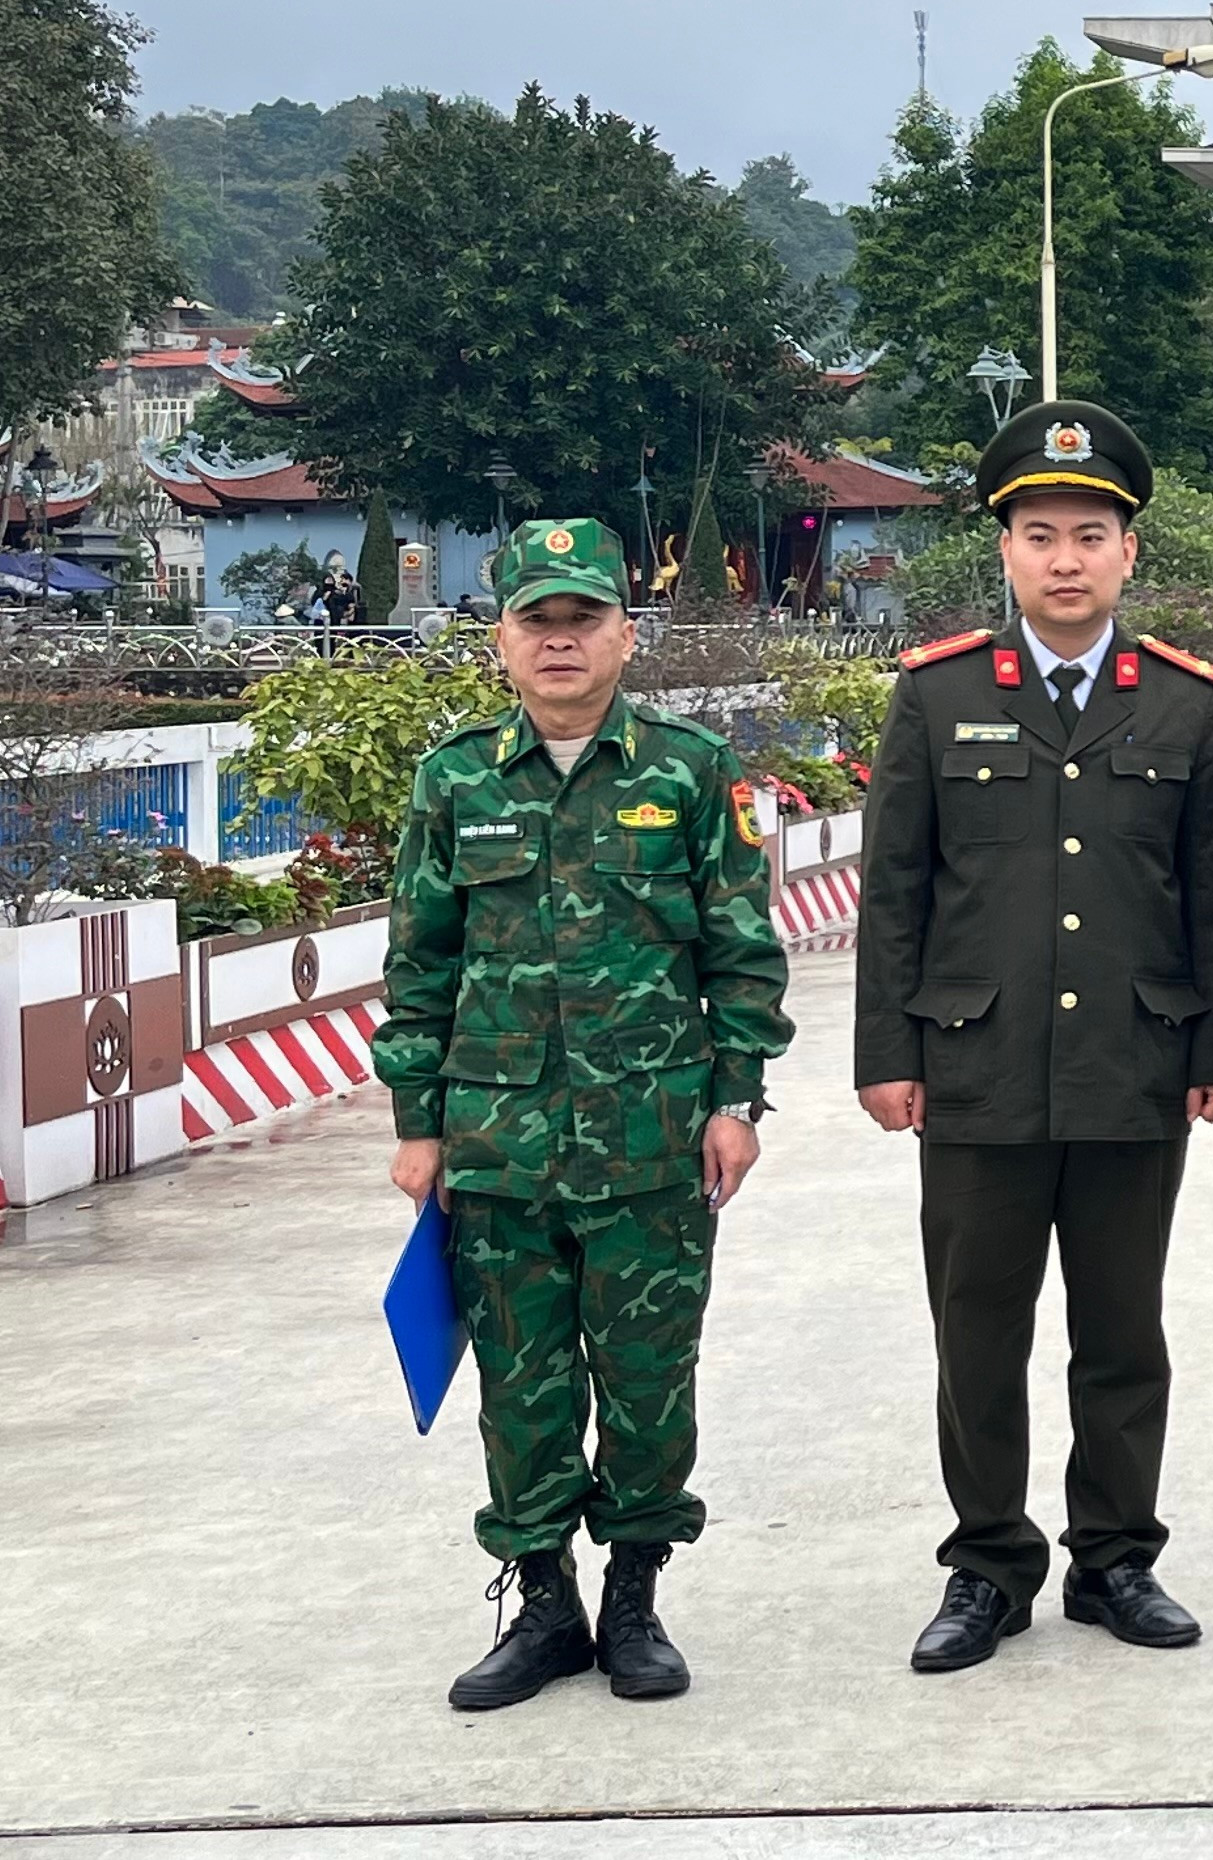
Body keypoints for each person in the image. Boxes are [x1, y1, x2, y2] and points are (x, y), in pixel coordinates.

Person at [375, 517, 791, 1711]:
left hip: (654, 1140)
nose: (560, 645)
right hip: (498, 1146)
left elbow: (740, 950)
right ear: (501, 639)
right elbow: (420, 962)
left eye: (584, 622)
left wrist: (735, 1099)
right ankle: (545, 1605)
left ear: (626, 634)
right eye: (536, 623)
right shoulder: (454, 778)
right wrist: (419, 1122)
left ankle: (637, 1598)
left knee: (652, 1382)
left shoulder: (687, 769)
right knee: (522, 1386)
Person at [852, 399, 1213, 1673]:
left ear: (1131, 551)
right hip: (975, 1067)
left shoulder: (1181, 706)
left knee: (1123, 1330)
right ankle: (988, 1566)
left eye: (1089, 534)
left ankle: (1117, 1558)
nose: (1064, 559)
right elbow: (895, 888)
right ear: (1003, 550)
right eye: (1038, 534)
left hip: (1135, 1064)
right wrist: (885, 1055)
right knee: (979, 1327)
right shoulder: (937, 693)